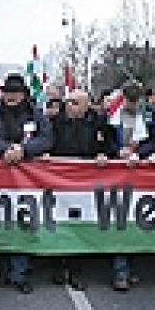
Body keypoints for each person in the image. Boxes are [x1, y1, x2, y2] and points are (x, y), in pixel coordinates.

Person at [0, 73, 53, 294]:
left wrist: (24, 150)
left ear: (24, 94)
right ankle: (1, 266)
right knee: (0, 222)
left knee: (23, 222)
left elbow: (47, 139)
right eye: (7, 92)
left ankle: (19, 273)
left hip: (27, 180)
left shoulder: (36, 114)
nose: (11, 96)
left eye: (15, 92)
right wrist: (5, 149)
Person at [46, 89, 115, 291]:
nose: (70, 106)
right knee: (59, 223)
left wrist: (103, 154)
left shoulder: (99, 122)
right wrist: (45, 154)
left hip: (86, 183)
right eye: (69, 102)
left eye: (75, 103)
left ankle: (76, 270)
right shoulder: (55, 122)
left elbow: (109, 145)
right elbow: (46, 142)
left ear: (87, 106)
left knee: (79, 225)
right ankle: (58, 267)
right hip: (59, 181)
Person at [106, 80, 155, 291]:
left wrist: (140, 154)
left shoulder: (150, 115)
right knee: (120, 220)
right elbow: (105, 140)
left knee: (137, 221)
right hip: (116, 174)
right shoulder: (110, 115)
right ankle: (120, 271)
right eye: (130, 101)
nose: (133, 106)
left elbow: (154, 141)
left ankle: (131, 267)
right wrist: (117, 152)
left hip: (140, 174)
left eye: (136, 102)